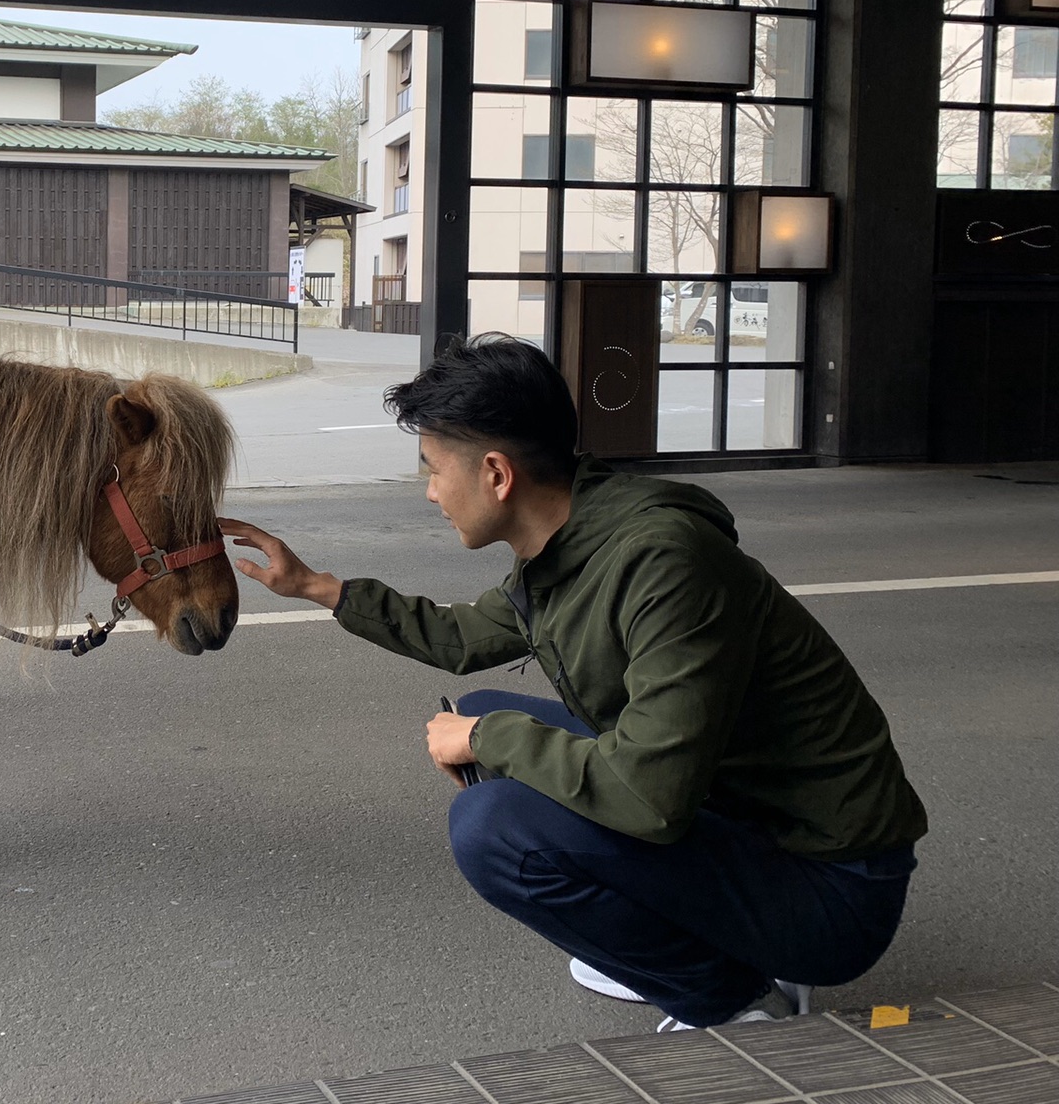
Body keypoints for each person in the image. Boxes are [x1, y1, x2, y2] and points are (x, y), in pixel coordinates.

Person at [221, 334, 927, 1033]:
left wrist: (486, 738)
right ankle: (662, 932)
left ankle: (736, 1002)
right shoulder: (573, 539)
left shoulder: (662, 563)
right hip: (735, 811)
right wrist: (315, 585)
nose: (431, 491)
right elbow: (462, 637)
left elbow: (650, 796)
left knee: (492, 826)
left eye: (435, 469)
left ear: (497, 475)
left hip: (829, 884)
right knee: (482, 714)